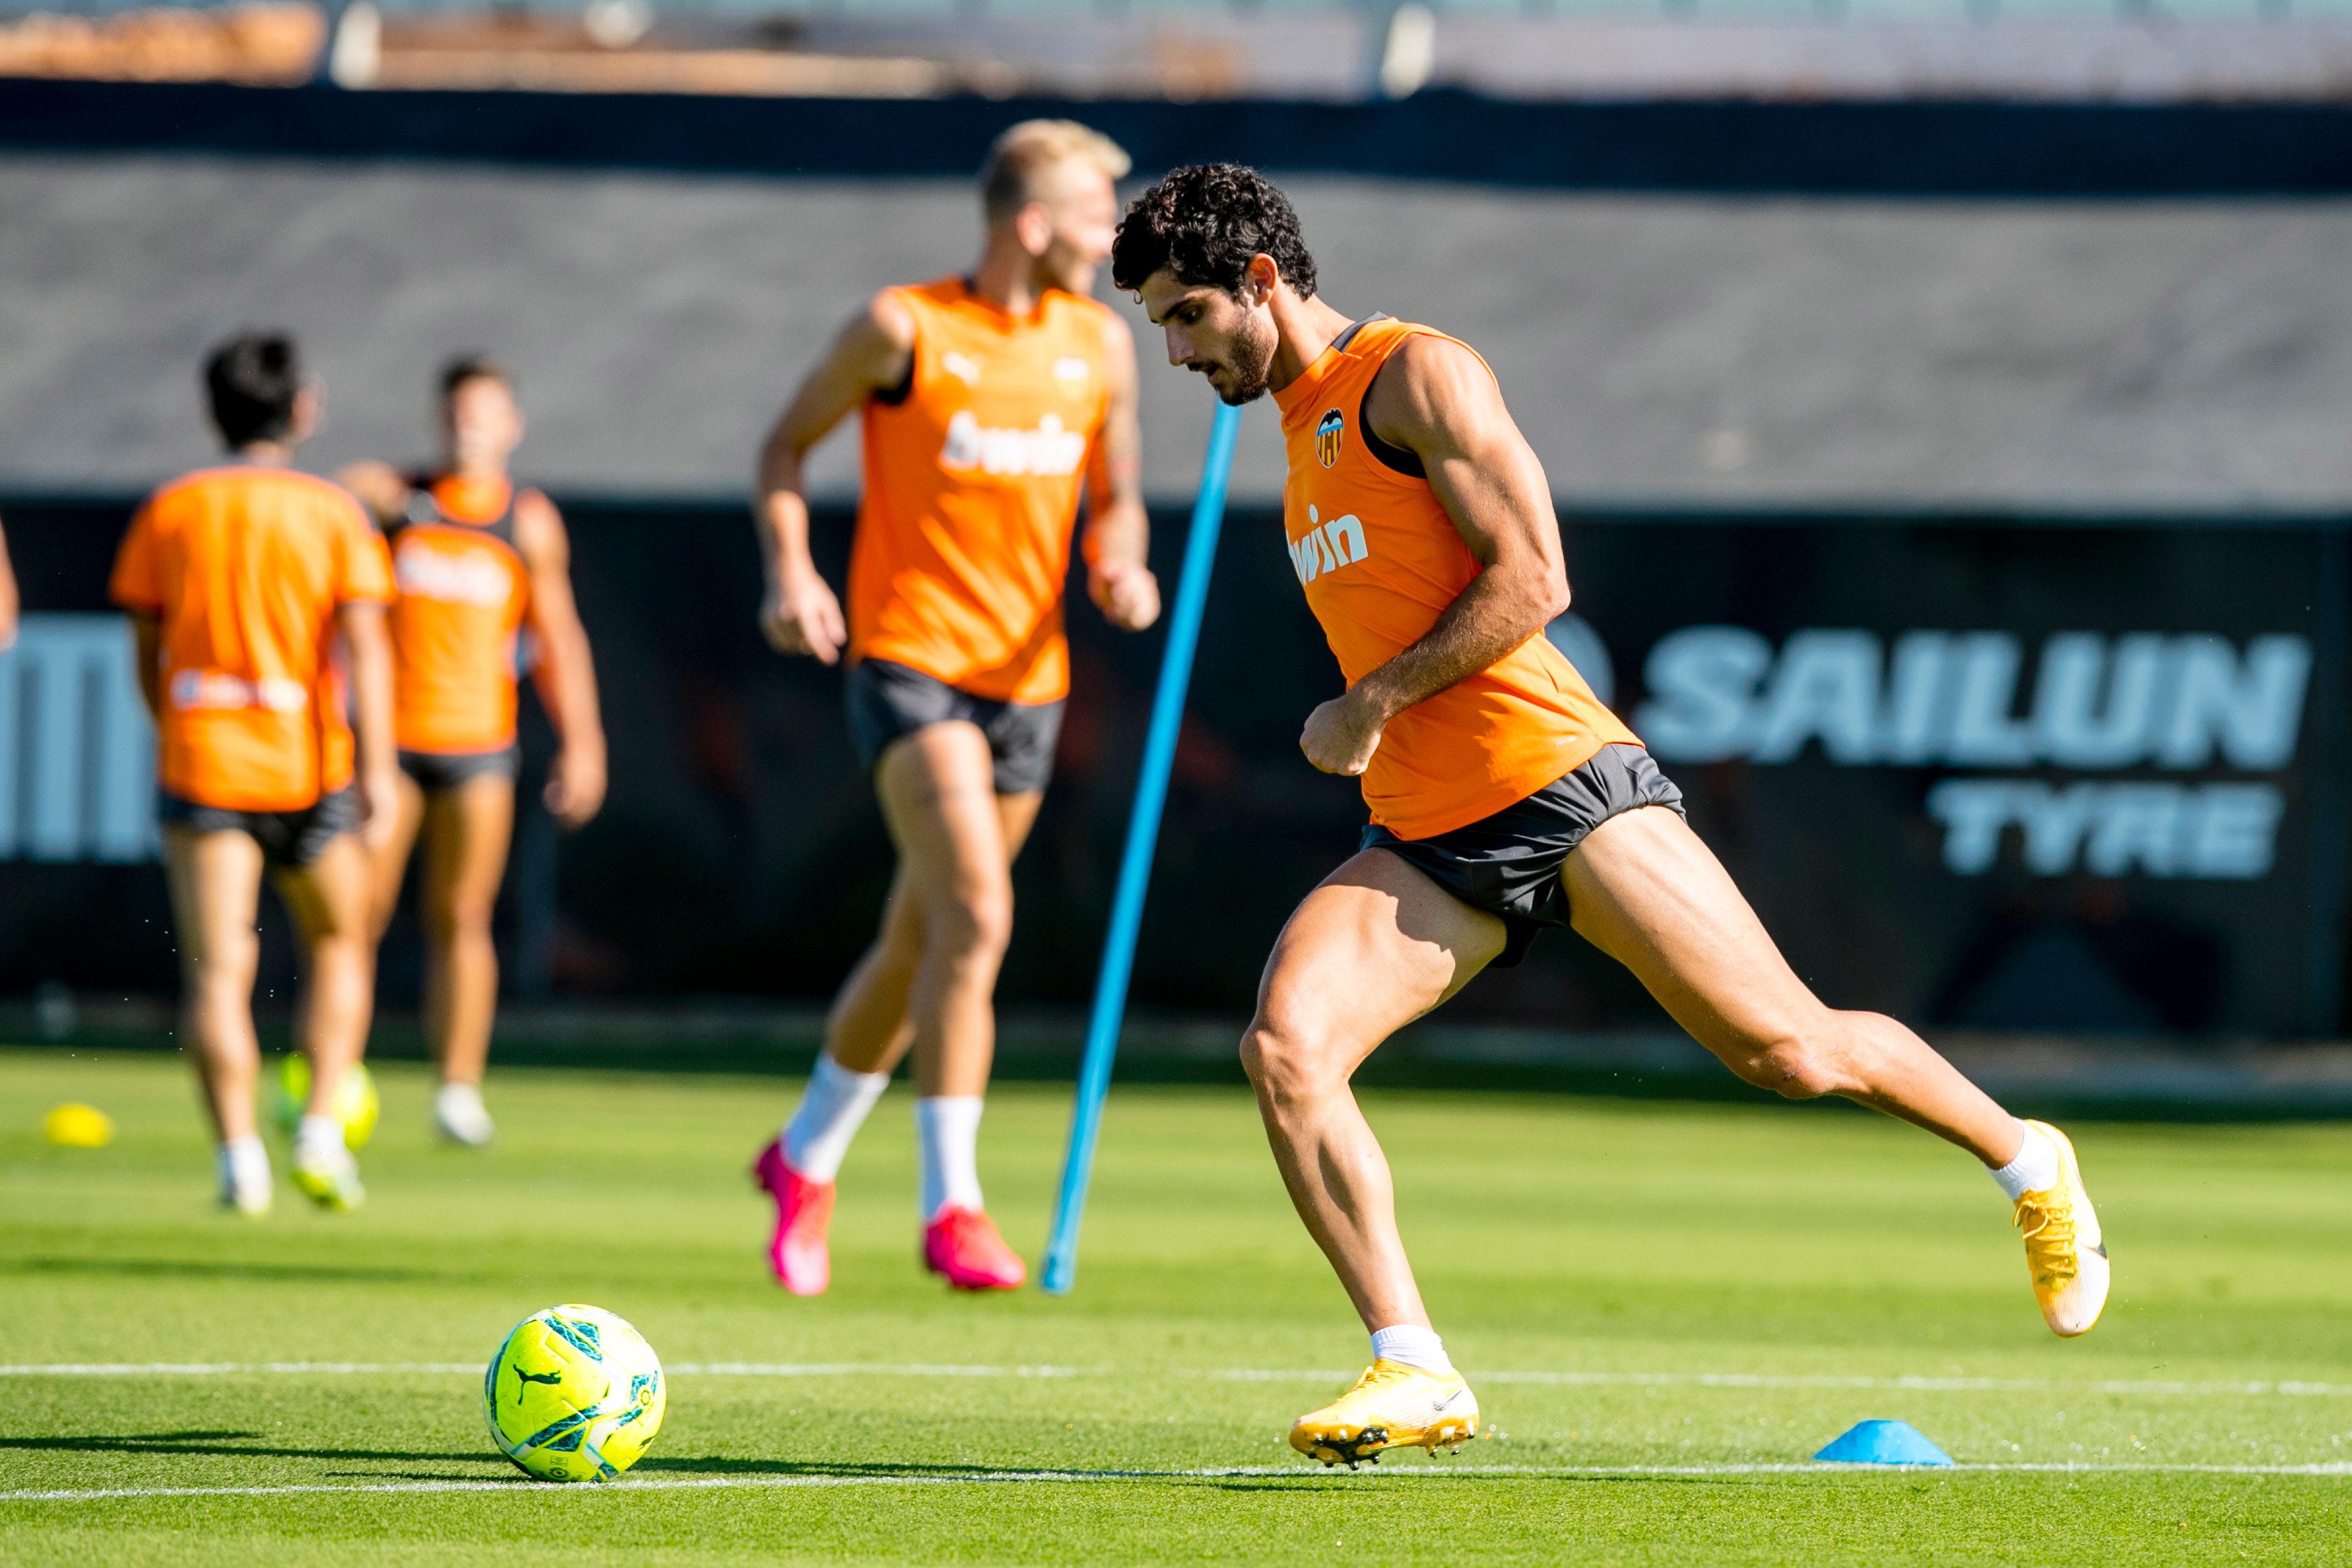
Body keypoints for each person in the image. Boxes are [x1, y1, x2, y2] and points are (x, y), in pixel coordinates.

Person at [1111, 165, 2109, 1466]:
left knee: (1791, 1051)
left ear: (1259, 279)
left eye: (1184, 316)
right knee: (1287, 1051)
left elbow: (1534, 581)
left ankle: (2026, 1157)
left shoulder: (1415, 375)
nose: (1176, 352)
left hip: (1562, 786)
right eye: (1158, 329)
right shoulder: (1293, 426)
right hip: (1426, 832)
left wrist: (1370, 699)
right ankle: (1412, 1366)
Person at [749, 119, 1160, 1294]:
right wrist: (792, 571)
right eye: (1095, 212)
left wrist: (1117, 563)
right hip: (908, 661)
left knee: (922, 936)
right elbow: (782, 451)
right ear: (1031, 227)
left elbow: (1117, 496)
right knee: (977, 915)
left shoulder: (1099, 344)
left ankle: (805, 1156)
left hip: (1028, 683)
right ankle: (954, 1208)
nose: (1113, 232)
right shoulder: (904, 328)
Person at [110, 330, 398, 1214]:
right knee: (341, 943)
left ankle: (239, 1158)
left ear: (212, 410)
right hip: (309, 767)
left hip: (206, 767)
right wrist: (381, 770)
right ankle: (317, 1127)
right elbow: (366, 647)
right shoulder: (331, 512)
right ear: (301, 407)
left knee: (216, 972)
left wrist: (183, 730)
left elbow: (148, 649)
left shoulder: (173, 509)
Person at [341, 358, 606, 1147]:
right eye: (459, 412)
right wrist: (379, 492)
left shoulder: (525, 520)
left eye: (486, 414)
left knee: (463, 916)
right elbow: (331, 495)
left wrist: (583, 743)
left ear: (513, 427)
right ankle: (334, 1074)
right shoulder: (402, 499)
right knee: (358, 915)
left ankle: (458, 1090)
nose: (471, 427)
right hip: (390, 745)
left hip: (479, 745)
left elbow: (558, 635)